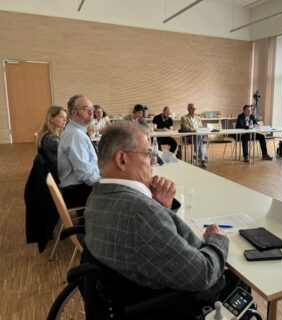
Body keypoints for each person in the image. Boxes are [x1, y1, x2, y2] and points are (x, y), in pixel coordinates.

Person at [84, 122, 236, 317]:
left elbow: (146, 241)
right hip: (171, 303)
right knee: (237, 280)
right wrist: (218, 239)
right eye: (148, 154)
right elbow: (202, 274)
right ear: (122, 160)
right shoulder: (140, 213)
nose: (154, 161)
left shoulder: (96, 196)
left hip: (126, 294)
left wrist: (160, 205)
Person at [58, 95, 100, 208]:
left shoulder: (77, 131)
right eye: (86, 109)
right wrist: (106, 184)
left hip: (79, 189)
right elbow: (85, 175)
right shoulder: (75, 135)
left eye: (92, 109)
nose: (92, 113)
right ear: (73, 112)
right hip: (79, 193)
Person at [36, 106, 68, 180]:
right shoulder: (50, 139)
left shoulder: (54, 136)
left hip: (58, 172)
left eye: (66, 117)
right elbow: (70, 156)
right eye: (61, 117)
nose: (65, 120)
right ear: (51, 119)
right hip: (60, 177)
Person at [181, 103, 208, 168]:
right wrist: (196, 130)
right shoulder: (184, 118)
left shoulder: (198, 117)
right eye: (192, 109)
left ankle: (198, 156)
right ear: (188, 109)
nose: (194, 110)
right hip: (189, 137)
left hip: (199, 136)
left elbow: (201, 126)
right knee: (198, 136)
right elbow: (187, 128)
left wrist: (201, 130)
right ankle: (202, 158)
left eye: (194, 109)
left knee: (199, 136)